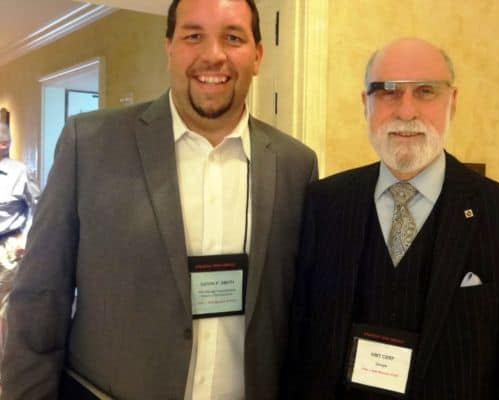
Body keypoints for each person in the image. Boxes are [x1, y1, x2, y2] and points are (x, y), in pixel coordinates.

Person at [1, 0, 317, 399]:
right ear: (169, 47)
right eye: (193, 36)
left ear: (257, 55)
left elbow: (300, 314)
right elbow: (39, 300)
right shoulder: (91, 144)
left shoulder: (295, 166)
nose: (213, 55)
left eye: (233, 37)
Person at [285, 37, 499, 400]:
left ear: (452, 102)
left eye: (425, 91)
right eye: (388, 92)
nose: (406, 111)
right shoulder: (324, 204)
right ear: (365, 104)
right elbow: (301, 352)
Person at [0, 122, 40, 364]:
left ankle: (4, 367)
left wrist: (25, 238)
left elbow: (40, 208)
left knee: (5, 310)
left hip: (7, 248)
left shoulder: (21, 172)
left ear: (4, 144)